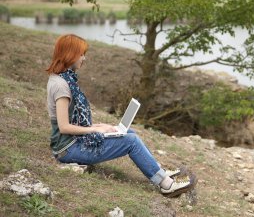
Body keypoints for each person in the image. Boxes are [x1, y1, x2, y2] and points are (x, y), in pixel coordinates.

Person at [46, 34, 196, 197]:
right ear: (70, 54)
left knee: (129, 133)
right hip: (68, 150)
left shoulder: (64, 79)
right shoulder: (61, 86)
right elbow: (64, 126)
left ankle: (158, 171)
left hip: (73, 143)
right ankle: (166, 185)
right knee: (131, 142)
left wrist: (98, 126)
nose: (84, 58)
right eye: (81, 54)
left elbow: (73, 121)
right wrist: (94, 131)